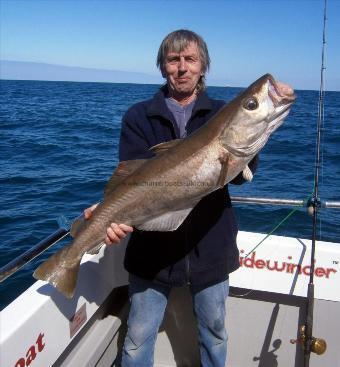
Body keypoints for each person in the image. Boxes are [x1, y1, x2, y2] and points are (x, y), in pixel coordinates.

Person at [85, 29, 258, 367]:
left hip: (211, 249)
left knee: (215, 335)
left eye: (190, 59)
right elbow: (130, 180)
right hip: (151, 255)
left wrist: (245, 149)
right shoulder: (138, 116)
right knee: (137, 339)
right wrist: (112, 217)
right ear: (162, 67)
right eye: (173, 59)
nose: (182, 67)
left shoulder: (222, 112)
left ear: (203, 65)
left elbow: (240, 178)